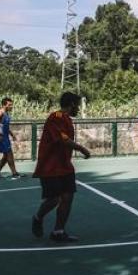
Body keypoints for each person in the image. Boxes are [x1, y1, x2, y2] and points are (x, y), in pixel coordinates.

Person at [31, 92, 91, 243]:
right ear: (71, 104)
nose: (78, 108)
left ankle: (58, 231)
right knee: (54, 199)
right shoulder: (56, 116)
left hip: (65, 165)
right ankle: (38, 217)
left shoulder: (67, 119)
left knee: (67, 197)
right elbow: (63, 138)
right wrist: (81, 148)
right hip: (50, 166)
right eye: (77, 105)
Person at [0, 97, 23, 179]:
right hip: (1, 137)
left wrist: (12, 135)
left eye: (12, 105)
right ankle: (14, 173)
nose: (11, 106)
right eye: (9, 105)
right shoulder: (0, 113)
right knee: (9, 154)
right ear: (4, 105)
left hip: (5, 136)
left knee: (6, 156)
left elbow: (5, 127)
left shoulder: (6, 113)